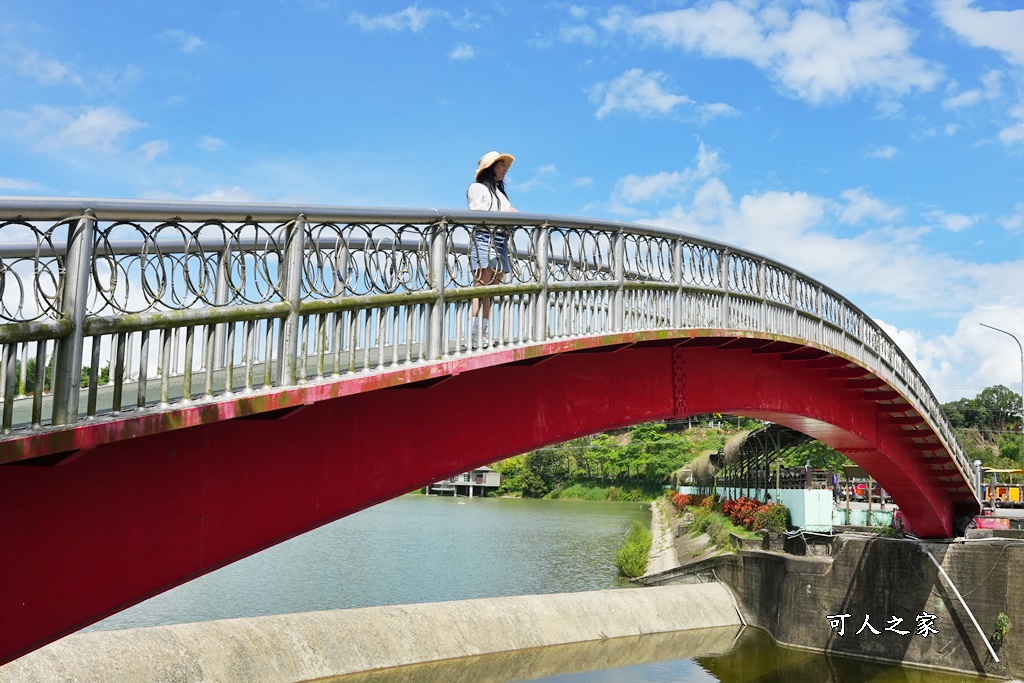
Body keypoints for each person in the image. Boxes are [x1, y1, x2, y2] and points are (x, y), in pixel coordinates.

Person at [466, 150, 517, 348]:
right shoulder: (477, 188)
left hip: (501, 241)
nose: (504, 169)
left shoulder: (501, 194)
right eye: (501, 165)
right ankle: (474, 333)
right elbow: (476, 215)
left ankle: (484, 332)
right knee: (481, 286)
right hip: (485, 238)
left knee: (491, 289)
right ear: (491, 167)